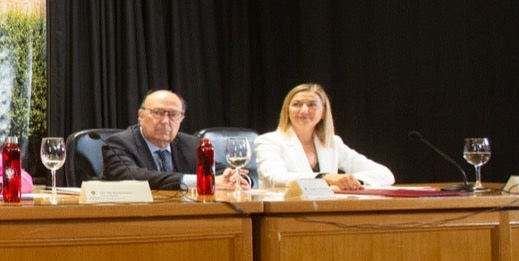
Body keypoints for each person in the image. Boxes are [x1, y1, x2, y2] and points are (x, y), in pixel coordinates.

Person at [102, 89, 251, 192]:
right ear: (140, 116)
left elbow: (218, 172)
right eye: (158, 113)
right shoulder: (118, 144)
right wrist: (200, 181)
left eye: (173, 115)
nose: (166, 121)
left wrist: (235, 177)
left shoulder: (191, 144)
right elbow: (135, 178)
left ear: (181, 119)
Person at [254, 83, 394, 190]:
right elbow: (278, 178)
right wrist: (327, 178)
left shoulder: (332, 142)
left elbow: (386, 174)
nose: (304, 110)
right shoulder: (268, 141)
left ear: (323, 113)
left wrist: (352, 181)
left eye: (312, 105)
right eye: (297, 104)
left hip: (325, 211)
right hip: (283, 213)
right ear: (287, 111)